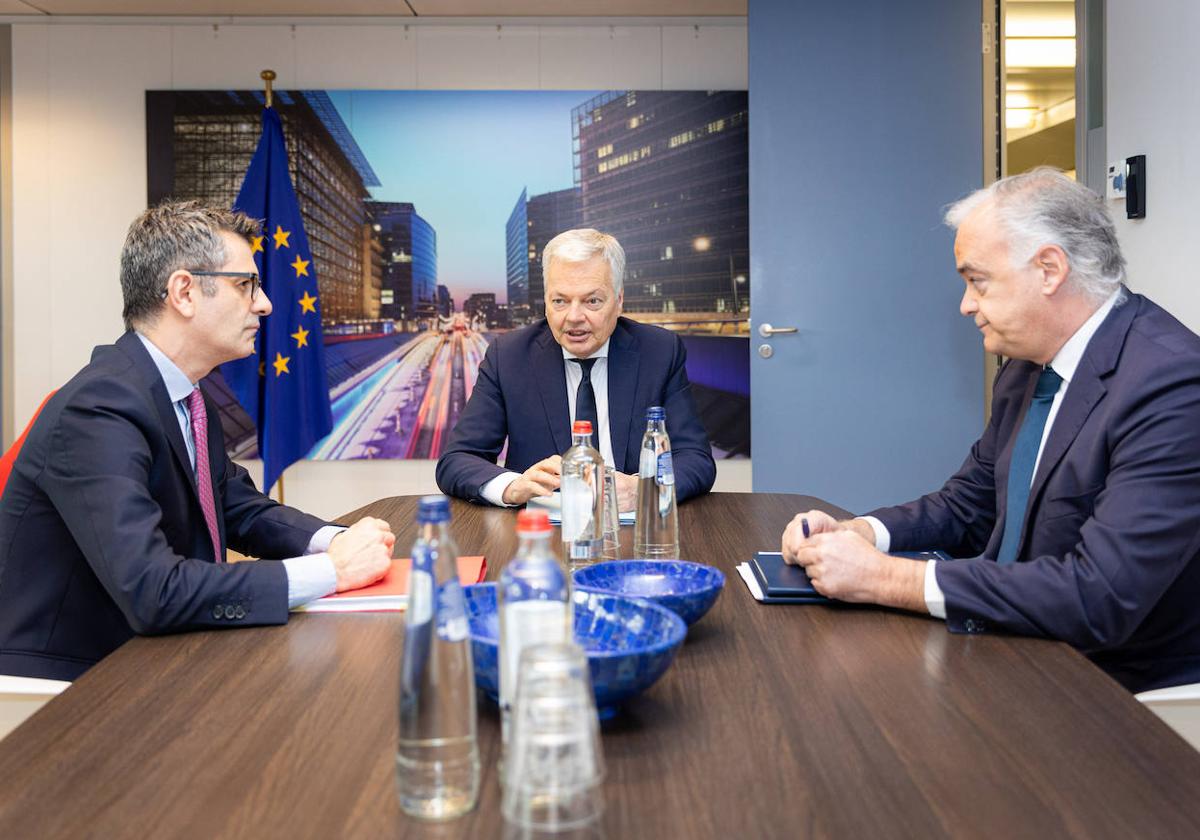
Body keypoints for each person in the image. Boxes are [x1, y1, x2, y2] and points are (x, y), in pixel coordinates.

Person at [781, 168, 1200, 694]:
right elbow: (970, 504)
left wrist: (887, 578)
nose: (965, 305)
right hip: (1013, 642)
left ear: (1049, 269)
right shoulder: (1026, 366)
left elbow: (1100, 599)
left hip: (1111, 687)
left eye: (977, 281)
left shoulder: (1172, 385)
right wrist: (861, 533)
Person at [0, 201, 395, 681]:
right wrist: (332, 571)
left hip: (154, 657)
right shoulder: (99, 407)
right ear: (184, 292)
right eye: (245, 284)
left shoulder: (183, 392)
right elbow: (152, 590)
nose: (265, 303)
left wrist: (337, 541)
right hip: (70, 689)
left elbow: (237, 508)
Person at [436, 228, 715, 510]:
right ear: (545, 302)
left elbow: (695, 458)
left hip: (633, 527)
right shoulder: (508, 356)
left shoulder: (660, 351)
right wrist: (512, 486)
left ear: (618, 301)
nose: (574, 317)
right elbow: (457, 459)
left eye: (592, 301)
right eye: (560, 301)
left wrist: (643, 489)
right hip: (540, 533)